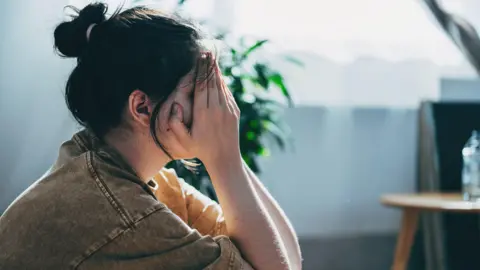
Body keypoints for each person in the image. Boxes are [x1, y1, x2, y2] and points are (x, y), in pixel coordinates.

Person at [0, 3, 302, 270]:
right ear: (142, 107)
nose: (215, 108)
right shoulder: (123, 215)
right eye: (200, 89)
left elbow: (284, 256)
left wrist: (227, 152)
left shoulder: (136, 177)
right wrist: (224, 159)